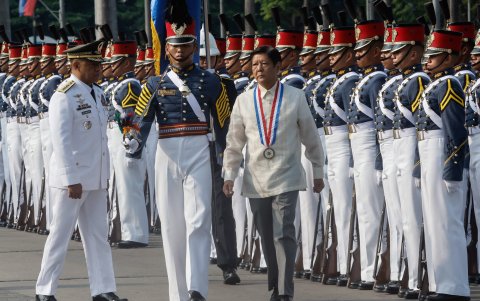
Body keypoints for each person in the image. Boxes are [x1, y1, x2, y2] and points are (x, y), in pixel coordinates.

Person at [125, 1, 231, 299]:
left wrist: (227, 160)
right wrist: (131, 143)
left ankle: (197, 287)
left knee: (199, 219)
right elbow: (140, 119)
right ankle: (178, 293)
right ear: (167, 48)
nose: (180, 51)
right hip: (167, 152)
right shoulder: (155, 83)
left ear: (194, 45)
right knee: (172, 226)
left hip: (199, 148)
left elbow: (223, 123)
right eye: (174, 45)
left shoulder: (212, 82)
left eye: (186, 45)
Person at [222, 45, 325, 301]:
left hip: (287, 175)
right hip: (256, 179)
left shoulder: (295, 97)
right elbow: (234, 142)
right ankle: (275, 283)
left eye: (264, 64)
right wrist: (229, 175)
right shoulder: (244, 101)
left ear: (278, 67)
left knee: (283, 233)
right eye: (254, 64)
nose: (258, 69)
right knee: (267, 235)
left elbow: (311, 137)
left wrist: (318, 170)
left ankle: (283, 291)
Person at [35, 39, 127, 301]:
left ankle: (103, 289)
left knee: (98, 236)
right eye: (92, 64)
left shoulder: (97, 93)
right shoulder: (64, 95)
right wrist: (70, 178)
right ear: (75, 65)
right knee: (59, 236)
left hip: (95, 177)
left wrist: (102, 175)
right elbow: (60, 141)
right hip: (72, 180)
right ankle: (45, 290)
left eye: (99, 63)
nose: (98, 68)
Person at [390, 23, 430, 299]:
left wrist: (416, 164)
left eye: (399, 51)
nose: (393, 57)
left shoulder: (418, 82)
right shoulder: (406, 80)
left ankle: (418, 278)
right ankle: (410, 274)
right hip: (397, 148)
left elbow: (420, 127)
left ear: (414, 54)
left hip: (409, 150)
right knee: (404, 219)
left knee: (414, 219)